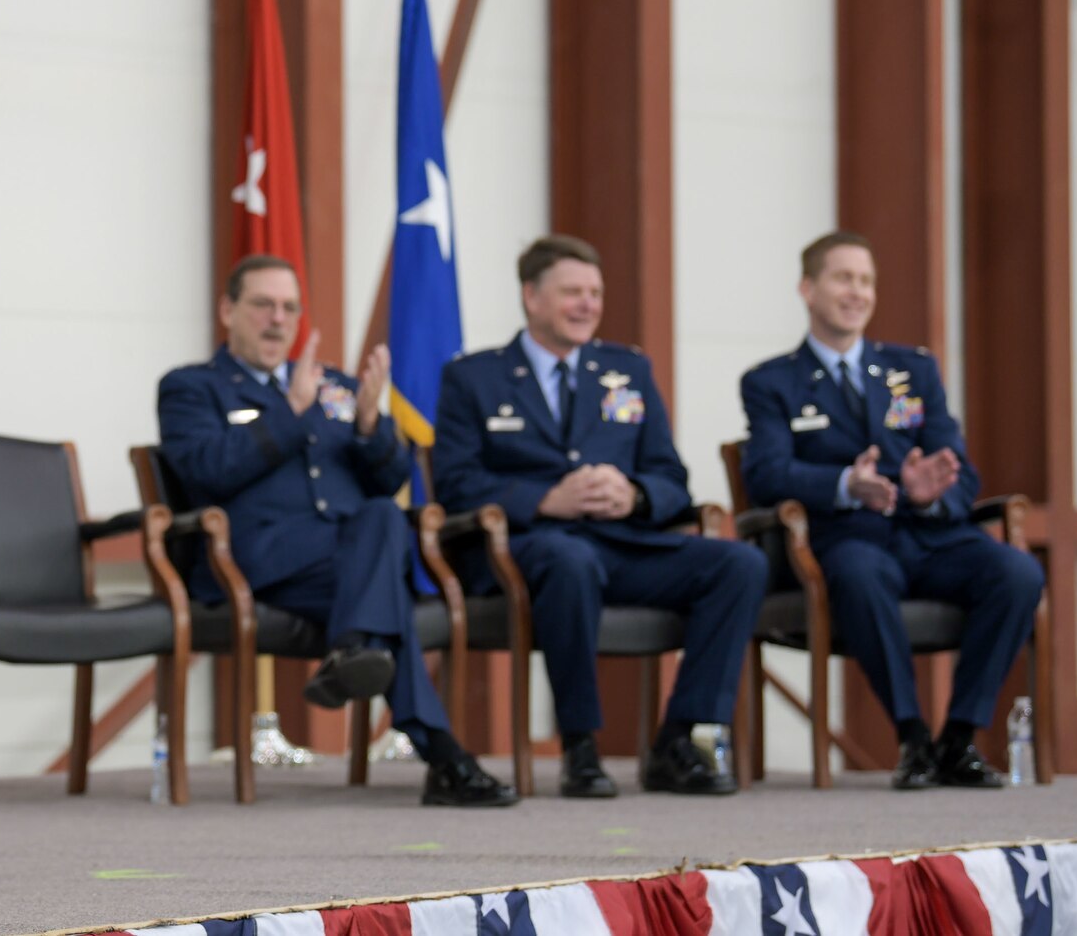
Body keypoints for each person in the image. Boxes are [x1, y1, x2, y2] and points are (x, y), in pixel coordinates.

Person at [157, 255, 517, 807]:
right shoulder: (192, 387)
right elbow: (207, 469)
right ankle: (407, 712)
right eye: (262, 305)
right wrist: (292, 411)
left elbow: (393, 477)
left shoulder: (339, 388)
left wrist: (372, 426)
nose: (278, 319)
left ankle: (420, 726)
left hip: (345, 564)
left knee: (381, 516)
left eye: (290, 308)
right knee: (384, 570)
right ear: (229, 310)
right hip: (257, 559)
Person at [430, 235, 765, 797]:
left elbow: (669, 476)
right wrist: (543, 500)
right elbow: (456, 484)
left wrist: (633, 494)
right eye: (572, 293)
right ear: (531, 297)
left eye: (595, 293)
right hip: (529, 549)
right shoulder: (475, 377)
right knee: (570, 558)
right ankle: (580, 747)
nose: (587, 304)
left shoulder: (626, 370)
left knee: (741, 565)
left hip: (624, 544)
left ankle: (679, 739)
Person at [739, 231, 1044, 790]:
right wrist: (844, 484)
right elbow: (764, 474)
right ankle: (912, 739)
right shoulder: (771, 382)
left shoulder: (914, 370)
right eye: (843, 278)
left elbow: (962, 471)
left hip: (929, 536)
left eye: (866, 280)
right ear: (808, 288)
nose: (857, 292)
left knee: (1018, 570)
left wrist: (933, 495)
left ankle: (958, 738)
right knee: (858, 573)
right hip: (848, 539)